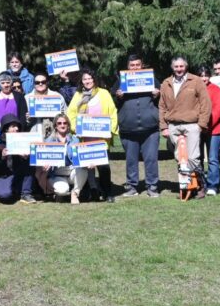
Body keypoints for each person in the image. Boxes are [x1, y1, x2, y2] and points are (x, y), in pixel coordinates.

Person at [159, 56, 211, 199]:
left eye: (181, 66)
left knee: (193, 158)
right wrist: (163, 126)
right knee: (180, 159)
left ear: (186, 66)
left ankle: (200, 186)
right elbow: (162, 106)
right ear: (172, 67)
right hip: (173, 126)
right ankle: (186, 187)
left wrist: (201, 124)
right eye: (176, 66)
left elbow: (205, 104)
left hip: (192, 125)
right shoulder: (166, 83)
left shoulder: (196, 81)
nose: (179, 69)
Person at [67, 69, 118, 202]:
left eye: (90, 78)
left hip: (101, 138)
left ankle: (107, 193)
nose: (87, 81)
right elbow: (70, 114)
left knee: (104, 167)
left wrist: (110, 129)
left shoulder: (104, 93)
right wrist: (75, 128)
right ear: (81, 81)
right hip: (84, 138)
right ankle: (90, 191)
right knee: (86, 167)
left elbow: (112, 112)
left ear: (94, 79)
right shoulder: (78, 95)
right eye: (85, 79)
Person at [116, 54, 161, 197]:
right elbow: (111, 102)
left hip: (150, 128)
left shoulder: (152, 79)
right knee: (131, 160)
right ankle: (132, 187)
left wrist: (157, 95)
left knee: (151, 159)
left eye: (137, 65)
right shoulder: (120, 81)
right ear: (127, 66)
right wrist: (118, 96)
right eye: (132, 65)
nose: (135, 67)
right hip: (128, 129)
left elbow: (164, 99)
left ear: (142, 66)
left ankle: (152, 186)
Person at [0, 114, 36, 203]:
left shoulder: (23, 141)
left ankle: (26, 194)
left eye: (17, 126)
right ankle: (3, 189)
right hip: (3, 175)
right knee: (4, 195)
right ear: (6, 128)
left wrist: (24, 157)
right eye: (13, 126)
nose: (16, 129)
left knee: (30, 160)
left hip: (18, 173)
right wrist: (3, 156)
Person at [197, 66, 220, 196]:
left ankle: (213, 185)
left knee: (213, 158)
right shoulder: (194, 89)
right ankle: (200, 183)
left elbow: (218, 109)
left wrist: (207, 125)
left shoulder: (215, 89)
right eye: (201, 75)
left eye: (206, 75)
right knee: (198, 158)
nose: (203, 78)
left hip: (214, 129)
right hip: (198, 129)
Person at [43, 114, 84, 204]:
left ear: (68, 125)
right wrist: (45, 164)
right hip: (56, 173)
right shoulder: (48, 141)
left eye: (65, 123)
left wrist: (88, 162)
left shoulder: (75, 140)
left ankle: (75, 193)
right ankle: (59, 193)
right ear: (55, 126)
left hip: (71, 171)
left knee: (83, 169)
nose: (62, 125)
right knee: (62, 191)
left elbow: (80, 158)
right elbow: (42, 160)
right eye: (59, 123)